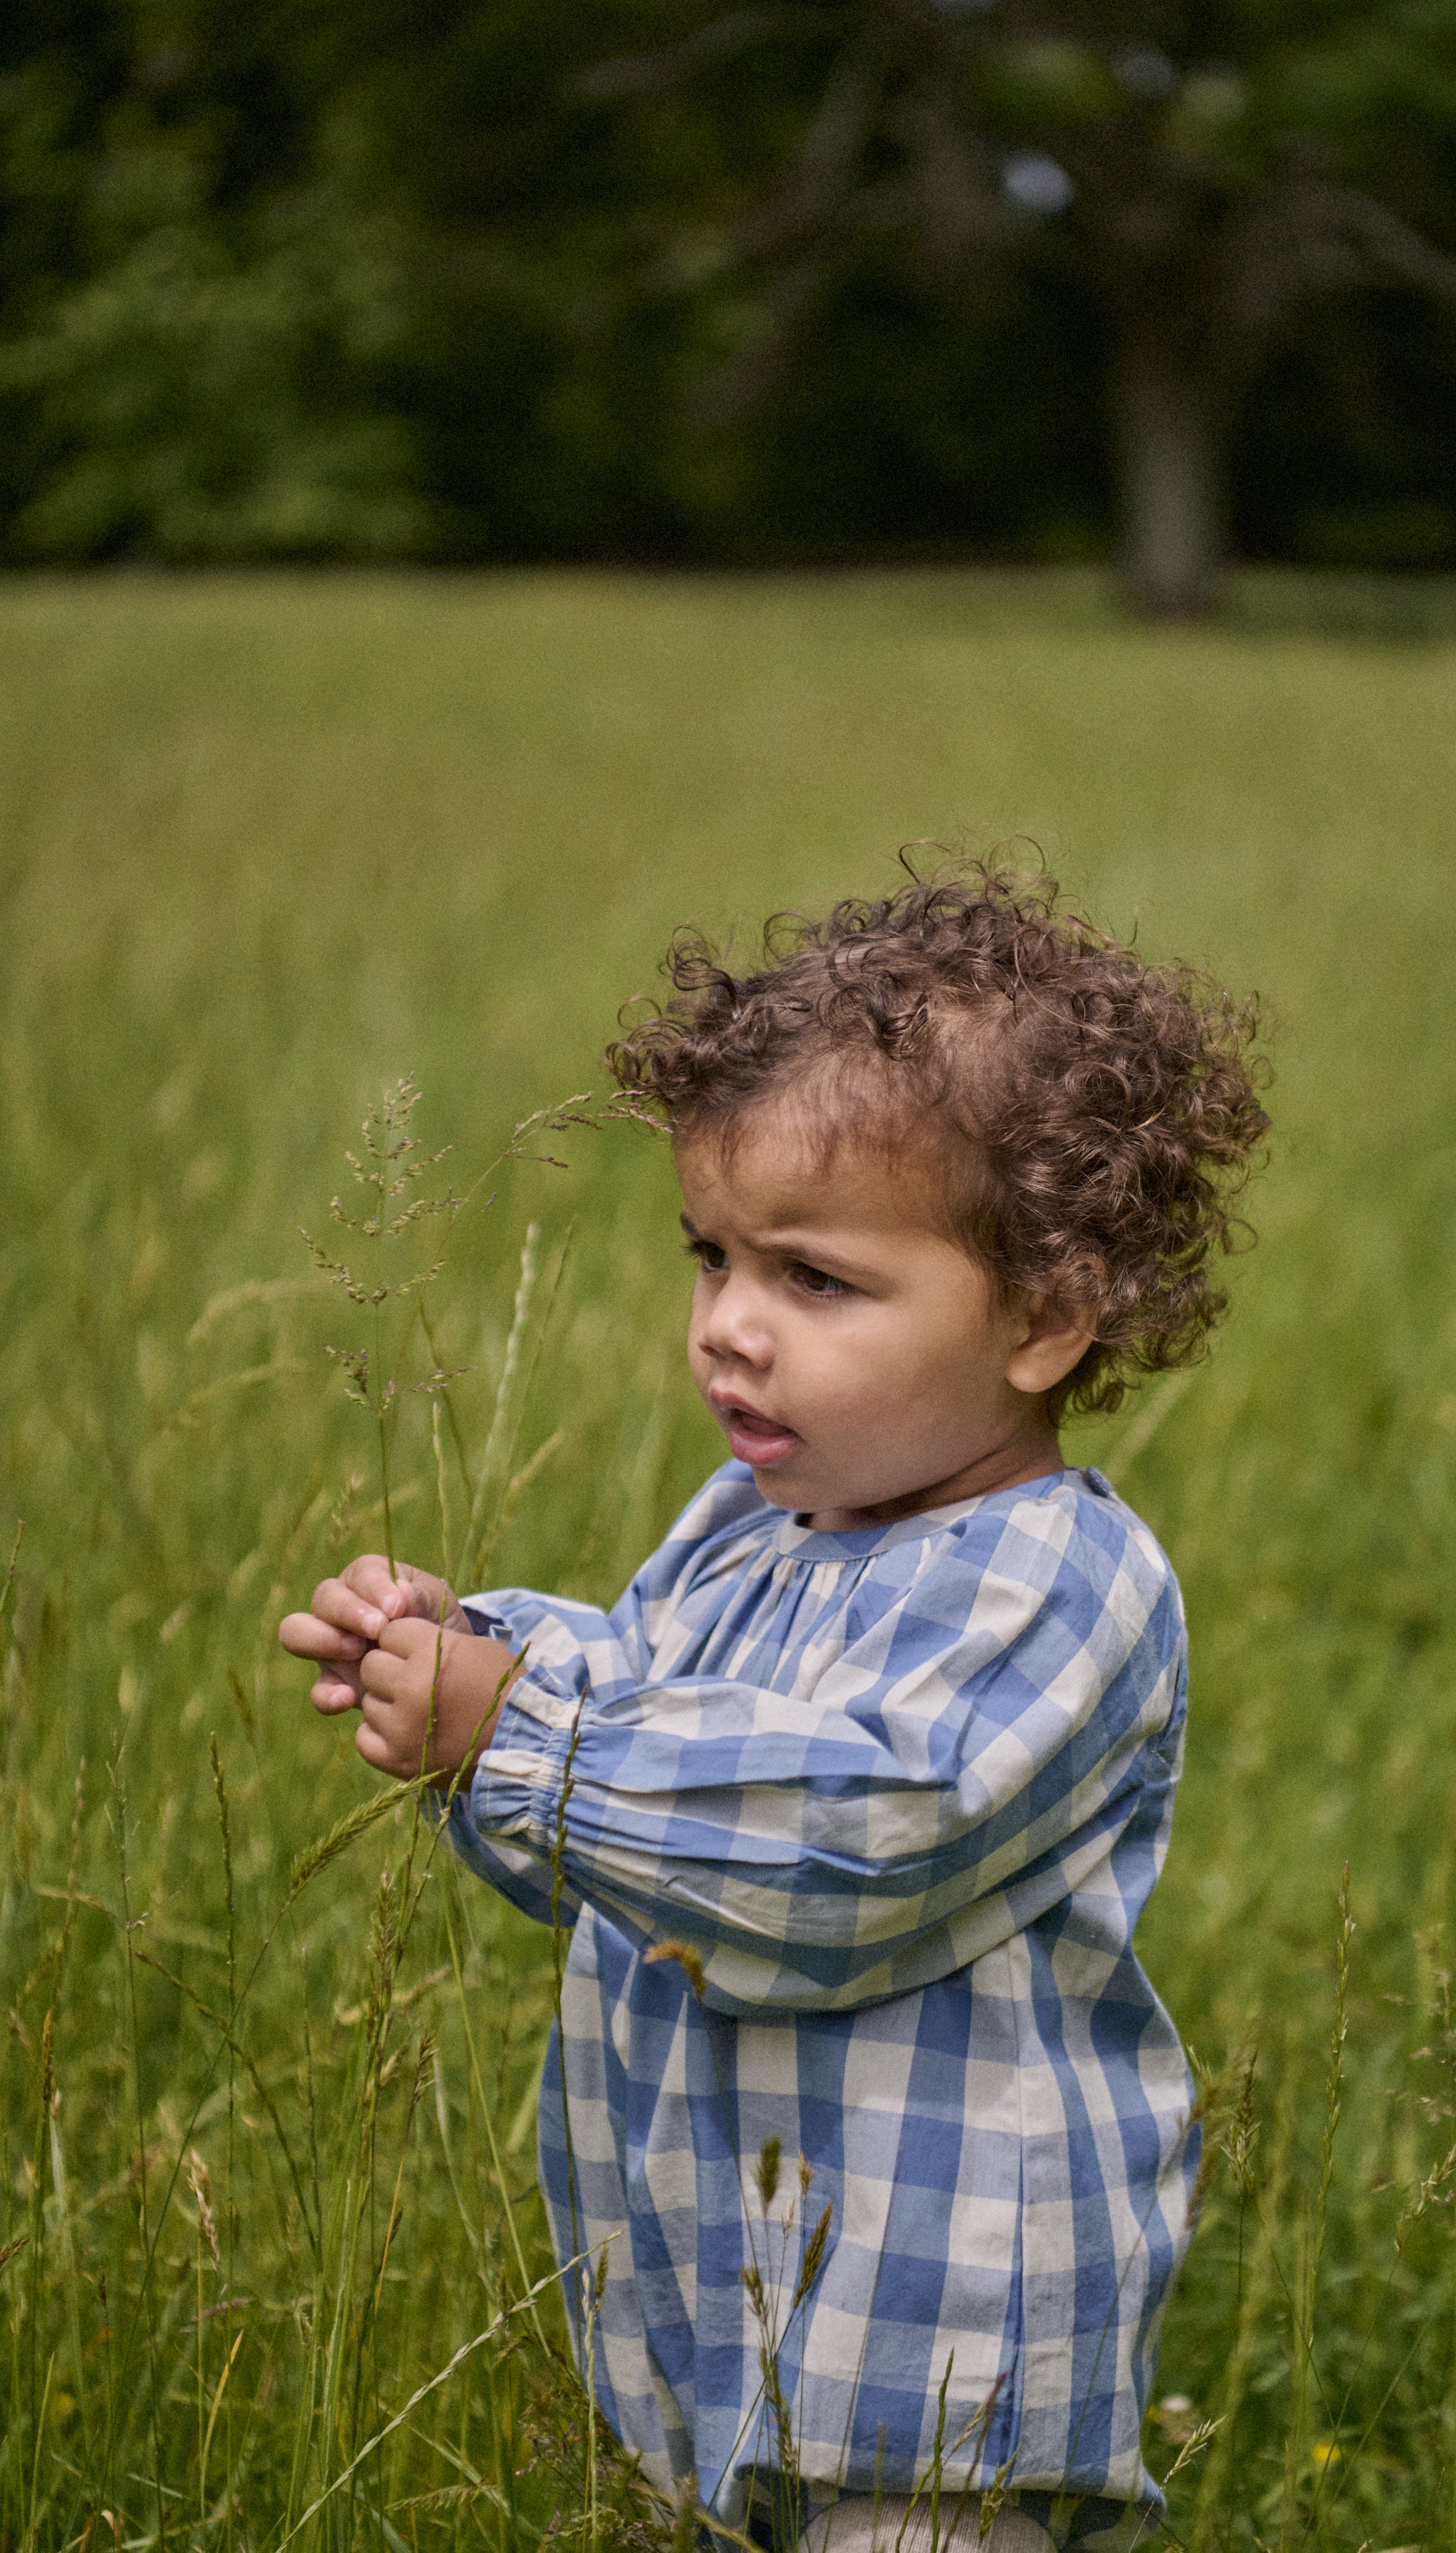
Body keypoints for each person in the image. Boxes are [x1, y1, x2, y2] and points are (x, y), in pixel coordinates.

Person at [279, 859, 1268, 2553]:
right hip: (734, 2322)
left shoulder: (1055, 1579)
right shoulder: (755, 1526)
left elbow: (840, 1847)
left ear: (1045, 1315)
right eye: (712, 1256)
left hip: (932, 2376)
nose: (729, 1327)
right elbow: (642, 1813)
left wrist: (516, 1733)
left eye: (813, 1279)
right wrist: (474, 1661)